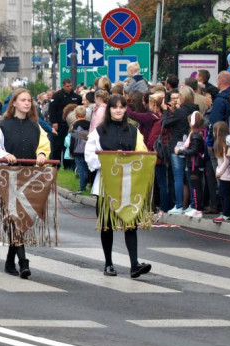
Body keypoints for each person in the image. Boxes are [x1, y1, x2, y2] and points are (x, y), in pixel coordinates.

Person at [0, 88, 51, 278]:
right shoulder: (2, 125)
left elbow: (44, 145)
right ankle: (23, 262)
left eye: (29, 100)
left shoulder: (35, 126)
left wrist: (42, 154)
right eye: (22, 100)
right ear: (14, 103)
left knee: (22, 219)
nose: (27, 103)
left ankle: (9, 260)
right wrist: (4, 155)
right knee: (13, 218)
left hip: (29, 178)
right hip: (8, 177)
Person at [84, 94, 151, 278]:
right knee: (107, 225)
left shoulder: (134, 130)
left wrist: (130, 158)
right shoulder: (99, 131)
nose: (118, 110)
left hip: (128, 183)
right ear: (110, 109)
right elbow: (90, 155)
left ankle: (134, 264)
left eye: (122, 107)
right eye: (115, 107)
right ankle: (108, 264)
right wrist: (111, 159)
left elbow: (142, 152)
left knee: (131, 223)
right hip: (106, 184)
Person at [162, 86, 200, 214]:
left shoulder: (180, 111)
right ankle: (192, 204)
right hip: (190, 144)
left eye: (179, 97)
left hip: (178, 145)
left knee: (178, 176)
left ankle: (178, 205)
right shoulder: (195, 109)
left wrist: (166, 111)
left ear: (183, 98)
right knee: (189, 176)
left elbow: (165, 123)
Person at [174, 111, 206, 218]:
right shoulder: (197, 133)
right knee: (196, 186)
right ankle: (196, 208)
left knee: (196, 187)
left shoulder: (195, 135)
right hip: (194, 163)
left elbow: (194, 150)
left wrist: (180, 151)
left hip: (194, 164)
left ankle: (197, 209)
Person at [49, 79, 82, 163]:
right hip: (60, 124)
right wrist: (54, 122)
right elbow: (52, 109)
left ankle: (68, 164)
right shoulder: (57, 96)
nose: (69, 88)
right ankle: (56, 164)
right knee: (58, 145)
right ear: (63, 86)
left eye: (70, 86)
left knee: (69, 144)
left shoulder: (77, 97)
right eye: (67, 86)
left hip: (72, 124)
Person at [212, 122, 230, 223]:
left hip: (227, 174)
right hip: (223, 174)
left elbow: (227, 161)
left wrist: (219, 171)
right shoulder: (219, 144)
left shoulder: (224, 144)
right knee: (222, 193)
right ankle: (225, 212)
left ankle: (226, 214)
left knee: (225, 194)